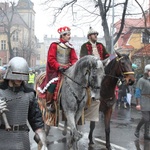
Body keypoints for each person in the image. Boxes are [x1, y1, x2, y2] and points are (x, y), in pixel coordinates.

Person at [0, 57, 48, 150]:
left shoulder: (29, 94)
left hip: (21, 141)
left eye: (23, 75)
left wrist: (42, 140)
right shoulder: (1, 91)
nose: (20, 79)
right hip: (2, 139)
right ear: (10, 72)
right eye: (17, 74)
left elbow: (36, 119)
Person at [38, 26, 78, 113]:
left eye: (69, 35)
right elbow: (51, 59)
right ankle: (49, 103)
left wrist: (72, 65)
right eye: (68, 35)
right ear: (62, 35)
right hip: (56, 70)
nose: (69, 36)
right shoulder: (54, 45)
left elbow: (74, 59)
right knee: (53, 83)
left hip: (67, 69)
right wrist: (58, 66)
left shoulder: (70, 47)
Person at [79, 26, 110, 128]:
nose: (96, 36)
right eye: (94, 34)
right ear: (89, 36)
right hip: (90, 69)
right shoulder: (84, 46)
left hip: (100, 68)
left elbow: (107, 56)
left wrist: (114, 57)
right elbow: (83, 58)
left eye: (97, 34)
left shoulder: (101, 45)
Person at [135, 64, 150, 140]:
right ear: (146, 71)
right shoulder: (141, 80)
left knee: (149, 119)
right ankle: (137, 129)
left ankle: (146, 134)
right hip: (144, 100)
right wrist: (138, 104)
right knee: (146, 118)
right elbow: (137, 92)